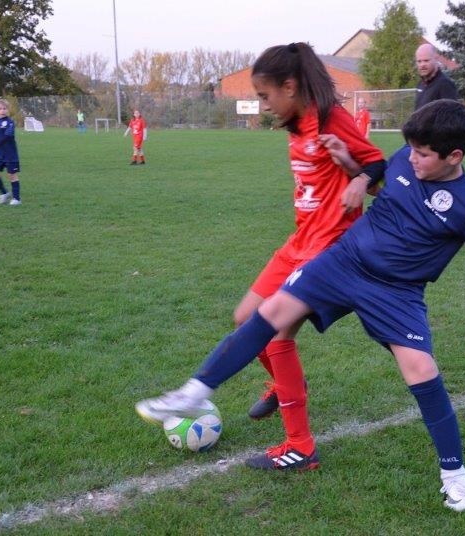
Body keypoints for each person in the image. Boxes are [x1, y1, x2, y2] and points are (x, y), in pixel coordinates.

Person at [136, 99, 465, 512]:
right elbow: (383, 190)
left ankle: (454, 472)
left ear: (454, 156)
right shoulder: (406, 161)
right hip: (344, 261)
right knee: (271, 313)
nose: (412, 158)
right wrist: (350, 165)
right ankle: (194, 392)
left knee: (421, 369)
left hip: (396, 291)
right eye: (410, 149)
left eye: (423, 154)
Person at [143, 41, 385, 473]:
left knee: (276, 333)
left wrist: (360, 178)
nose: (263, 104)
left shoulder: (331, 118)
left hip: (329, 246)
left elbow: (378, 164)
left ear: (289, 87)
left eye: (264, 95)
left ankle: (301, 446)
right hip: (299, 241)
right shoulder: (298, 125)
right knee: (244, 318)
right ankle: (286, 384)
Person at [0, 98, 22, 205]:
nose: (2, 110)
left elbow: (7, 137)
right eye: (0, 109)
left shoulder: (10, 123)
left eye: (4, 108)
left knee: (12, 175)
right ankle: (4, 193)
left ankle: (16, 199)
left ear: (8, 110)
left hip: (10, 153)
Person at [414, 43, 459, 110]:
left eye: (426, 60)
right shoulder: (421, 84)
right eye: (419, 61)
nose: (422, 65)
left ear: (435, 59)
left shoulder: (445, 84)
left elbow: (452, 114)